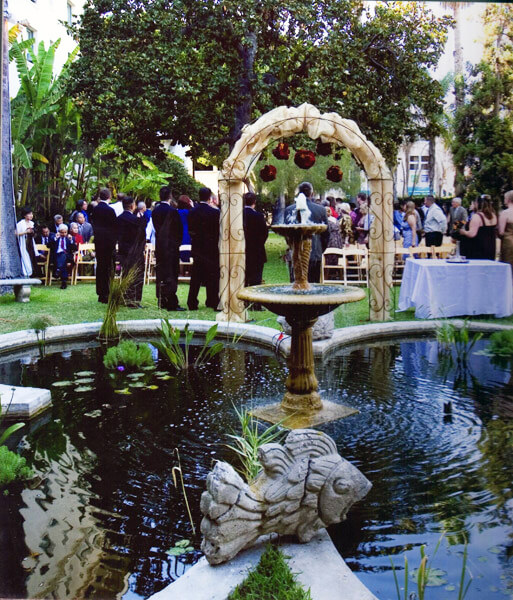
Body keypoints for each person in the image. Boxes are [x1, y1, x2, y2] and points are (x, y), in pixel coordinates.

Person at [284, 181, 328, 283]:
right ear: (312, 194)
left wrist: (291, 246)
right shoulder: (321, 210)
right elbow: (326, 234)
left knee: (296, 284)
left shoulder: (289, 209)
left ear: (299, 193)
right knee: (313, 285)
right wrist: (320, 249)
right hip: (315, 253)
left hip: (295, 252)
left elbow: (286, 233)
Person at [187, 187, 221, 310]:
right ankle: (212, 300)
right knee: (212, 276)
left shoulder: (192, 212)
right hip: (211, 248)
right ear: (209, 198)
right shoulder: (215, 213)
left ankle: (192, 301)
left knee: (196, 276)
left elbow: (191, 229)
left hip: (197, 247)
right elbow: (217, 231)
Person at [152, 186, 184, 311]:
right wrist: (176, 244)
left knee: (161, 273)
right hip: (171, 247)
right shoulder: (172, 211)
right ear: (170, 196)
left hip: (160, 246)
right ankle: (171, 301)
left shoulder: (155, 211)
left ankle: (161, 299)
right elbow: (178, 230)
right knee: (171, 273)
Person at [117, 196, 147, 308]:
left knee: (125, 273)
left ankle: (125, 297)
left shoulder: (119, 219)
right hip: (135, 251)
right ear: (132, 206)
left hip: (123, 251)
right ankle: (134, 299)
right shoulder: (136, 220)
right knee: (137, 276)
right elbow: (142, 233)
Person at [91, 187, 117, 303]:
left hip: (99, 242)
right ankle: (107, 292)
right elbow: (114, 227)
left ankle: (100, 293)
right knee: (108, 267)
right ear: (109, 197)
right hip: (108, 243)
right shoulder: (110, 210)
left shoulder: (95, 209)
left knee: (101, 267)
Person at [243, 192, 268, 299]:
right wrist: (259, 243)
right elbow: (264, 233)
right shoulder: (258, 216)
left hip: (242, 250)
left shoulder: (239, 215)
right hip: (256, 251)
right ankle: (255, 302)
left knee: (243, 278)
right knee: (256, 279)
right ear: (254, 202)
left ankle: (243, 300)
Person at [457, 194, 497, 260]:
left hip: (478, 248)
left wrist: (463, 232)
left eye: (473, 203)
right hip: (490, 246)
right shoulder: (493, 215)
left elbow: (472, 234)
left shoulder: (477, 216)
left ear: (478, 204)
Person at [49, 224, 77, 289]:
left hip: (67, 257)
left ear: (67, 232)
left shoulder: (70, 238)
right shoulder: (54, 237)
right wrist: (55, 239)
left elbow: (75, 248)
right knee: (63, 261)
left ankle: (58, 270)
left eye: (65, 232)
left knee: (63, 255)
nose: (63, 234)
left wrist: (71, 241)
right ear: (58, 232)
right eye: (62, 232)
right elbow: (48, 246)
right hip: (56, 257)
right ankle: (64, 282)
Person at [16, 206, 40, 277]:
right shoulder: (20, 223)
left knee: (31, 256)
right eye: (29, 214)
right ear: (25, 215)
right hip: (24, 242)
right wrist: (26, 232)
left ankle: (32, 273)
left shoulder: (32, 223)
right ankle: (25, 273)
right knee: (25, 257)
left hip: (30, 243)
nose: (31, 215)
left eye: (31, 214)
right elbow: (16, 233)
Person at [498, 190, 513, 274]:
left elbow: (501, 232)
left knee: (508, 265)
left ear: (508, 199)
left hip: (508, 242)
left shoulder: (505, 213)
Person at [177, 195, 194, 263]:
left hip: (179, 231)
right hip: (188, 232)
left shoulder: (176, 212)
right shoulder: (190, 212)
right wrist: (192, 206)